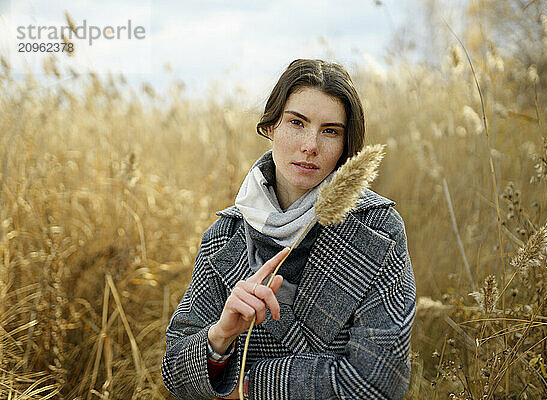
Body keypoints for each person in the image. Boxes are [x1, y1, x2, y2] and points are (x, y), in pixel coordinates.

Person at [161, 59, 416, 399]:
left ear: (345, 145)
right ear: (270, 126)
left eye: (330, 131)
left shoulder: (377, 230)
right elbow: (175, 372)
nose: (311, 145)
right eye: (297, 122)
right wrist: (220, 337)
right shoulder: (226, 235)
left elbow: (378, 384)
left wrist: (249, 384)